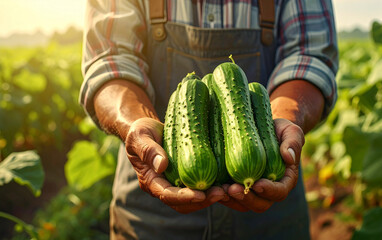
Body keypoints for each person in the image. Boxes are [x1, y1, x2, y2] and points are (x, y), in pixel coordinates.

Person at [79, 0, 338, 239]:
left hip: (268, 215)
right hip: (152, 208)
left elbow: (309, 57)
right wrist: (137, 123)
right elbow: (108, 60)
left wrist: (281, 123)